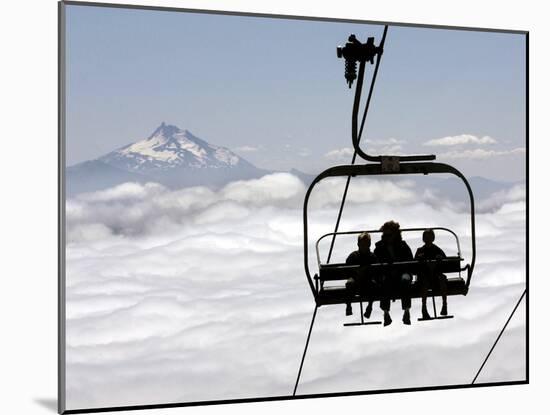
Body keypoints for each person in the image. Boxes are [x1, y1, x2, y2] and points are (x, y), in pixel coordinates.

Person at [374, 220, 413, 326]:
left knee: (405, 280)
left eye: (389, 235)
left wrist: (400, 269)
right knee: (385, 282)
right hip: (387, 275)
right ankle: (386, 313)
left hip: (402, 274)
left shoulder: (403, 246)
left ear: (395, 234)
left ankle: (406, 311)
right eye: (385, 235)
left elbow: (409, 262)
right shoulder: (379, 248)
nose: (387, 237)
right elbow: (376, 265)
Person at [415, 229, 449, 319]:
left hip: (435, 277)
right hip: (424, 277)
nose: (428, 239)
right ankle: (424, 308)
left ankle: (444, 305)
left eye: (429, 237)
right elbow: (414, 265)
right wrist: (419, 261)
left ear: (433, 238)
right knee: (425, 281)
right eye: (426, 237)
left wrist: (440, 259)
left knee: (442, 279)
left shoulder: (437, 250)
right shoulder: (420, 250)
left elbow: (446, 263)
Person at [344, 232, 378, 318]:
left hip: (367, 282)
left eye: (366, 244)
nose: (364, 246)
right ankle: (348, 305)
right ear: (358, 244)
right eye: (362, 243)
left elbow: (376, 271)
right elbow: (347, 270)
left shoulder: (372, 257)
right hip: (356, 281)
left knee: (374, 284)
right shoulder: (353, 256)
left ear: (369, 244)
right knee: (349, 283)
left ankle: (370, 306)